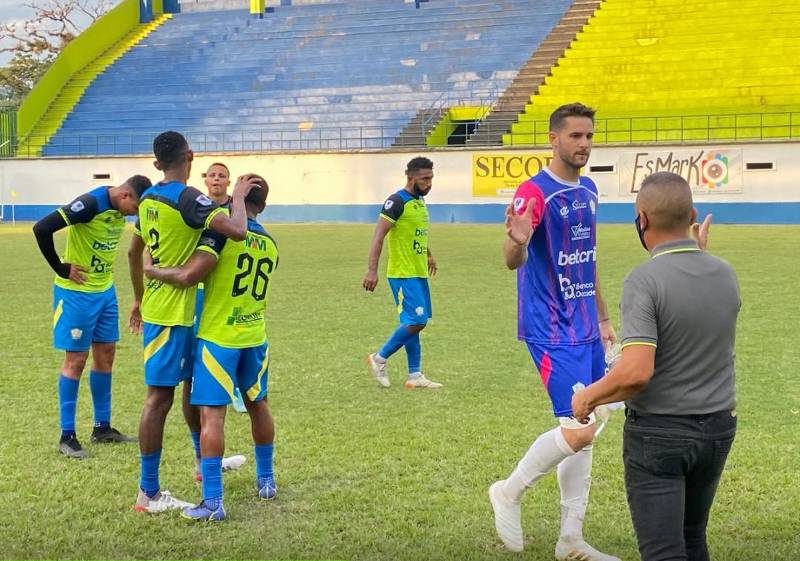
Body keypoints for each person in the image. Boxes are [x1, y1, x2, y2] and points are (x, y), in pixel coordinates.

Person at [572, 172, 736, 561]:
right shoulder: (725, 273)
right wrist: (699, 255)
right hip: (718, 428)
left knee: (663, 551)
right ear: (692, 214)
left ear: (641, 220)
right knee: (693, 536)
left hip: (661, 434)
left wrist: (588, 398)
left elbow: (636, 373)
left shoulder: (644, 280)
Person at [489, 103, 620, 560]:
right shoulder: (534, 192)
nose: (583, 144)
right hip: (551, 328)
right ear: (553, 139)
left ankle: (571, 539)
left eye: (589, 136)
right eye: (575, 136)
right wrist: (518, 241)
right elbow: (512, 259)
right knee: (578, 429)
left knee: (586, 423)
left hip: (586, 326)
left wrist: (603, 319)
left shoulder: (589, 188)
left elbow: (589, 259)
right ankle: (508, 491)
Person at [127, 131, 259, 513]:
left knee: (189, 390)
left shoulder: (148, 196)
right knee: (158, 398)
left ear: (156, 164)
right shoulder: (187, 198)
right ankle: (147, 493)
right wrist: (236, 197)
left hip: (179, 310)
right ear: (191, 156)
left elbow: (136, 251)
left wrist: (138, 296)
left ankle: (203, 465)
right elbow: (237, 230)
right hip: (171, 314)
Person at [143, 174, 278, 521]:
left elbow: (191, 275)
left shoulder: (220, 237)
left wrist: (153, 271)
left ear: (235, 204)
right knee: (258, 405)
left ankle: (213, 501)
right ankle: (266, 480)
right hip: (255, 336)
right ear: (262, 206)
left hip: (219, 339)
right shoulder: (272, 244)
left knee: (212, 416)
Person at [33, 176, 151, 458]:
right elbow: (42, 228)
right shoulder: (89, 204)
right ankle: (67, 435)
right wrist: (61, 268)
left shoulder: (119, 205)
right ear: (125, 195)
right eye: (134, 208)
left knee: (106, 354)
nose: (134, 215)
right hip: (76, 294)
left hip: (105, 292)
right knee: (76, 359)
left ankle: (102, 427)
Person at [362, 156, 442, 389]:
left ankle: (414, 375)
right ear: (410, 177)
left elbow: (417, 232)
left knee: (413, 322)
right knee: (417, 320)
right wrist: (371, 270)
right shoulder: (396, 202)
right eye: (424, 179)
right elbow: (379, 236)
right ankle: (379, 358)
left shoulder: (418, 202)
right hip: (402, 273)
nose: (429, 184)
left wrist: (427, 253)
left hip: (417, 271)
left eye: (431, 179)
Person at [198, 162, 247, 414]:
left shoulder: (236, 209)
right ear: (205, 180)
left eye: (222, 176)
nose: (216, 179)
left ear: (229, 182)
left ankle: (236, 389)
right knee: (205, 336)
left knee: (233, 337)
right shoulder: (196, 207)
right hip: (201, 283)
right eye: (212, 175)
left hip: (230, 284)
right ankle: (205, 381)